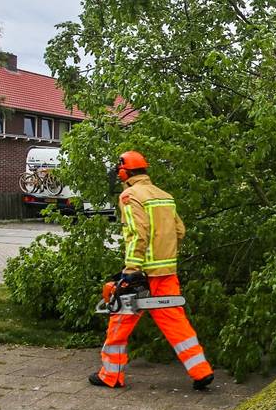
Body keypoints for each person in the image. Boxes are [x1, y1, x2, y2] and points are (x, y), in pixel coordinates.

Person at [89, 151, 214, 390]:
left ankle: (110, 376)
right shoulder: (164, 196)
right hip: (166, 271)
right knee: (176, 322)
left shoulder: (130, 196)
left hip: (142, 274)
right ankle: (201, 371)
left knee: (119, 321)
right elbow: (180, 231)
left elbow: (138, 233)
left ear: (124, 173)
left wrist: (132, 269)